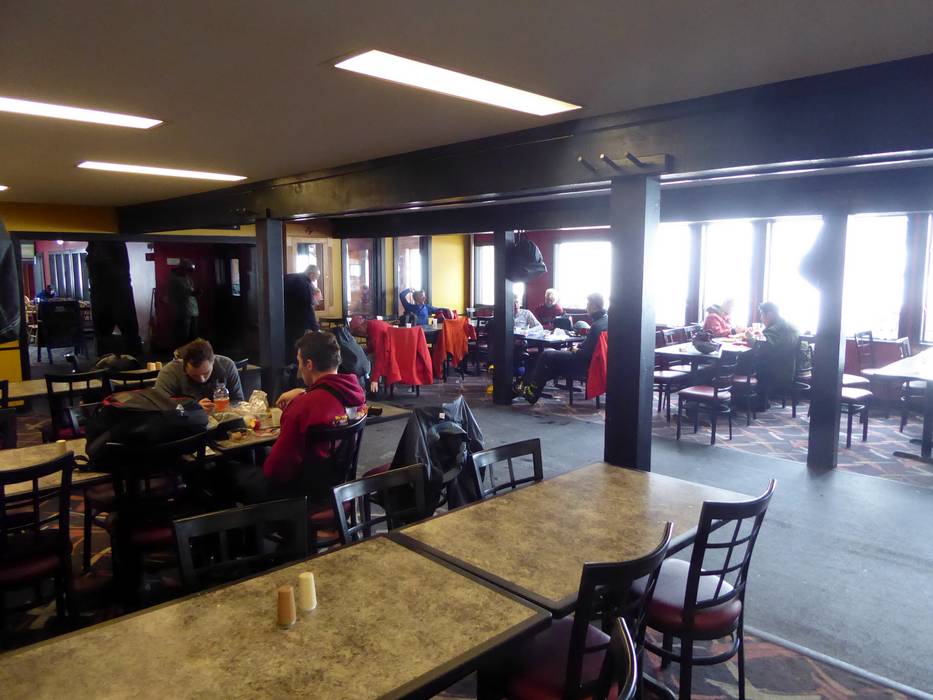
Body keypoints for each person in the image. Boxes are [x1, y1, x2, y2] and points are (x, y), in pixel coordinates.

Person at [227, 331, 366, 504]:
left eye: (299, 361)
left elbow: (276, 470)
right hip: (338, 487)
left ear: (309, 364)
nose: (299, 368)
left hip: (298, 494)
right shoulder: (356, 394)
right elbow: (328, 398)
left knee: (228, 472)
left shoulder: (303, 406)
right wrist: (306, 392)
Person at [519, 292, 608, 404]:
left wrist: (572, 349)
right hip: (597, 363)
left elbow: (584, 354)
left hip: (584, 364)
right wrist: (576, 348)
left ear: (594, 306)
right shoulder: (606, 321)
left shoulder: (596, 326)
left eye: (588, 304)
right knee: (550, 364)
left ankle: (532, 390)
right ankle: (532, 390)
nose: (586, 307)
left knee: (547, 354)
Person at [155, 338, 243, 411]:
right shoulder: (169, 373)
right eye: (194, 375)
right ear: (184, 367)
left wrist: (222, 407)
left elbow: (239, 401)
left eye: (206, 373)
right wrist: (192, 409)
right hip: (186, 424)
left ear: (213, 361)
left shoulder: (227, 366)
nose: (202, 379)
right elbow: (159, 408)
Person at [745, 302, 799, 411]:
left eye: (762, 314)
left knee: (745, 363)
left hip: (776, 371)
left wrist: (750, 338)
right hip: (787, 367)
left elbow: (761, 349)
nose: (761, 318)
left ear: (769, 314)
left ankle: (757, 402)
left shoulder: (775, 330)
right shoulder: (787, 325)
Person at [284, 265, 320, 363]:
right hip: (297, 321)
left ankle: (287, 366)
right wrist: (315, 328)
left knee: (287, 345)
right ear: (311, 274)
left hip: (284, 318)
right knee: (296, 346)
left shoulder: (290, 277)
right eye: (316, 277)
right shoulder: (305, 284)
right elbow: (307, 307)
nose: (315, 280)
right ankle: (295, 366)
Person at [169, 259, 199, 347]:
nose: (188, 273)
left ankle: (191, 353)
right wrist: (192, 293)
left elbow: (191, 291)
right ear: (182, 268)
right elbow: (182, 293)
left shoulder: (188, 278)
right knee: (183, 337)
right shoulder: (174, 279)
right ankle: (181, 354)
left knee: (193, 336)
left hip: (193, 311)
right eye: (187, 270)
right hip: (183, 312)